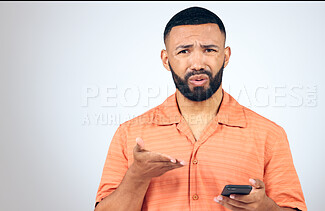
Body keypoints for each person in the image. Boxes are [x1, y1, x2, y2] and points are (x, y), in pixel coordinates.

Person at [95, 6, 307, 211]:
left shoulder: (270, 135)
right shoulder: (128, 134)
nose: (197, 63)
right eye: (184, 51)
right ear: (166, 60)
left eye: (209, 50)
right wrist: (137, 176)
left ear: (225, 56)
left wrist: (265, 208)